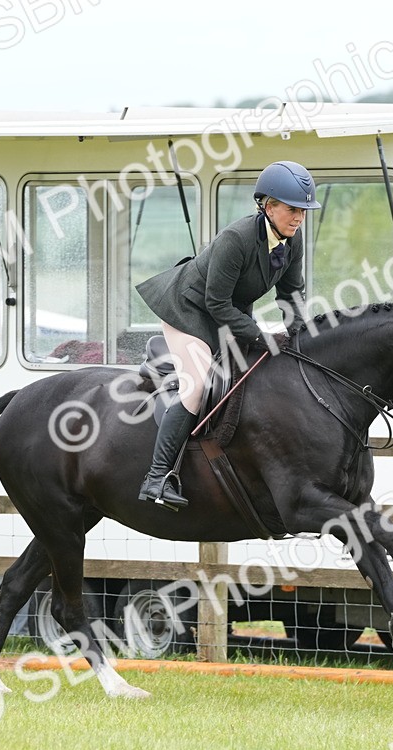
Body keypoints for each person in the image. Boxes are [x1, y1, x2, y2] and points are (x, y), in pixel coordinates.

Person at [134, 161, 320, 510]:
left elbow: (292, 295)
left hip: (226, 314)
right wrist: (261, 336)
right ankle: (157, 478)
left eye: (304, 211)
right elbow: (215, 302)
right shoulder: (236, 239)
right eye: (293, 209)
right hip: (187, 310)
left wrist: (301, 336)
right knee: (198, 383)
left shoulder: (292, 242)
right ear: (268, 206)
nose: (299, 218)